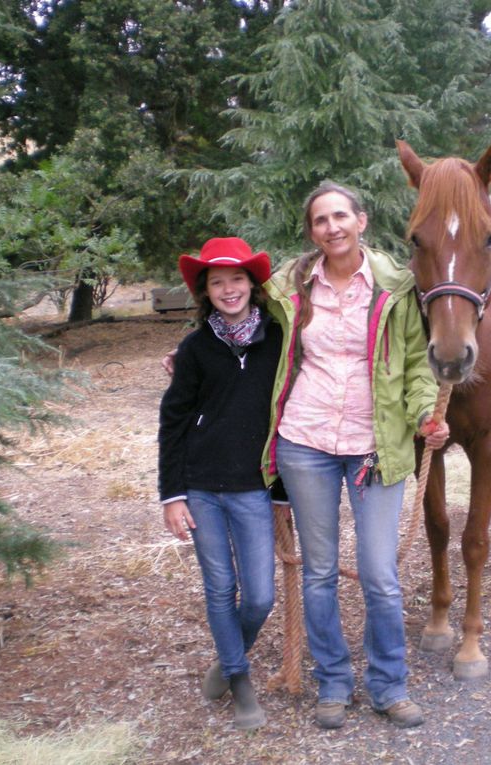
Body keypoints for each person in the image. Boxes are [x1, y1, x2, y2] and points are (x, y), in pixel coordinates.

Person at [261, 181, 450, 730]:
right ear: (312, 231)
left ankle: (389, 685)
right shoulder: (288, 288)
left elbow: (418, 364)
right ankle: (334, 683)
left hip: (377, 447)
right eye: (320, 221)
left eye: (340, 216)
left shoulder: (395, 287)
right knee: (319, 572)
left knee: (379, 574)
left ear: (361, 221)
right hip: (305, 442)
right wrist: (190, 354)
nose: (332, 228)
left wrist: (424, 417)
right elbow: (238, 326)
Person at [158, 237, 282, 731]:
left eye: (237, 279)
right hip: (202, 487)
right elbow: (173, 421)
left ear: (252, 284)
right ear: (204, 291)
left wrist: (285, 490)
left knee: (259, 597)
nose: (228, 289)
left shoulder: (278, 339)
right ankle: (239, 674)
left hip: (252, 486)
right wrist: (172, 495)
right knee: (220, 586)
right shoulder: (194, 349)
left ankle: (227, 656)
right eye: (216, 282)